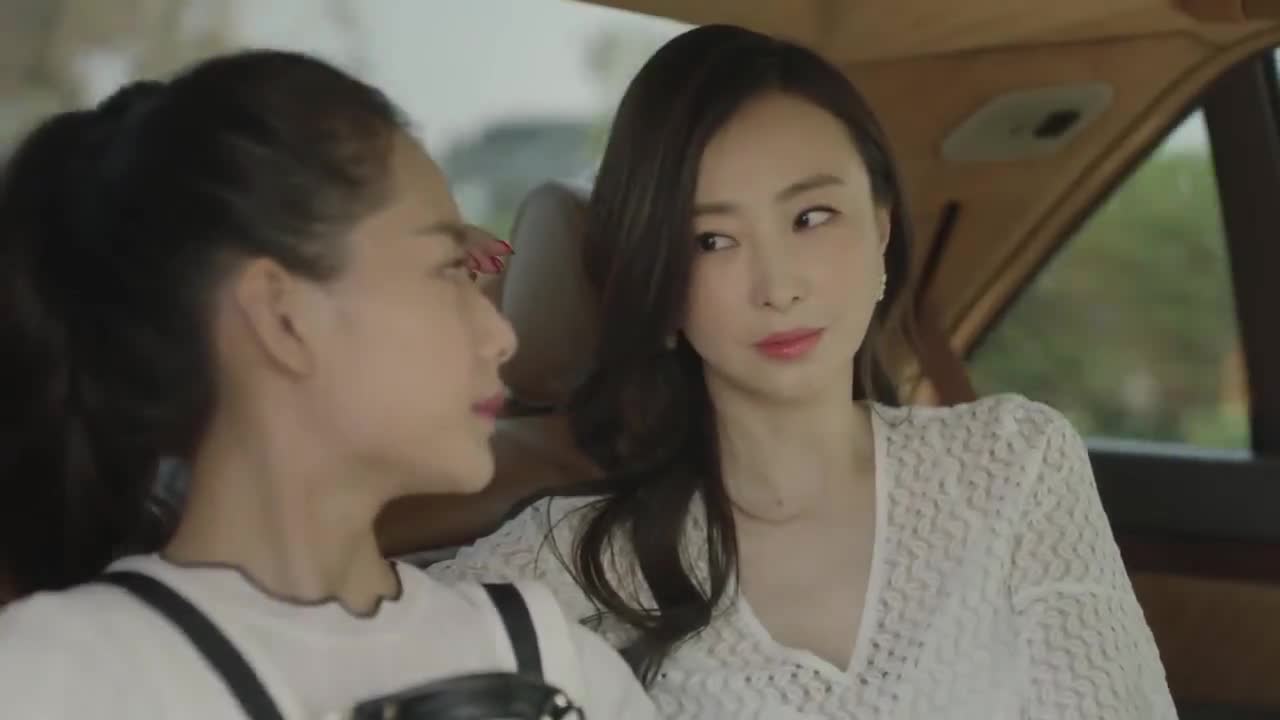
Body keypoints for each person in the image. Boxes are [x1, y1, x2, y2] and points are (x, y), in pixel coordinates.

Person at [427, 24, 1178, 719]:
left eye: (811, 217)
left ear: (880, 228)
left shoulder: (1015, 464)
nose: (778, 286)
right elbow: (362, 654)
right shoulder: (574, 557)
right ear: (659, 283)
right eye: (712, 240)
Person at [0, 49, 655, 720]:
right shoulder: (56, 679)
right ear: (281, 316)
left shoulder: (555, 662)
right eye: (446, 269)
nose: (501, 336)